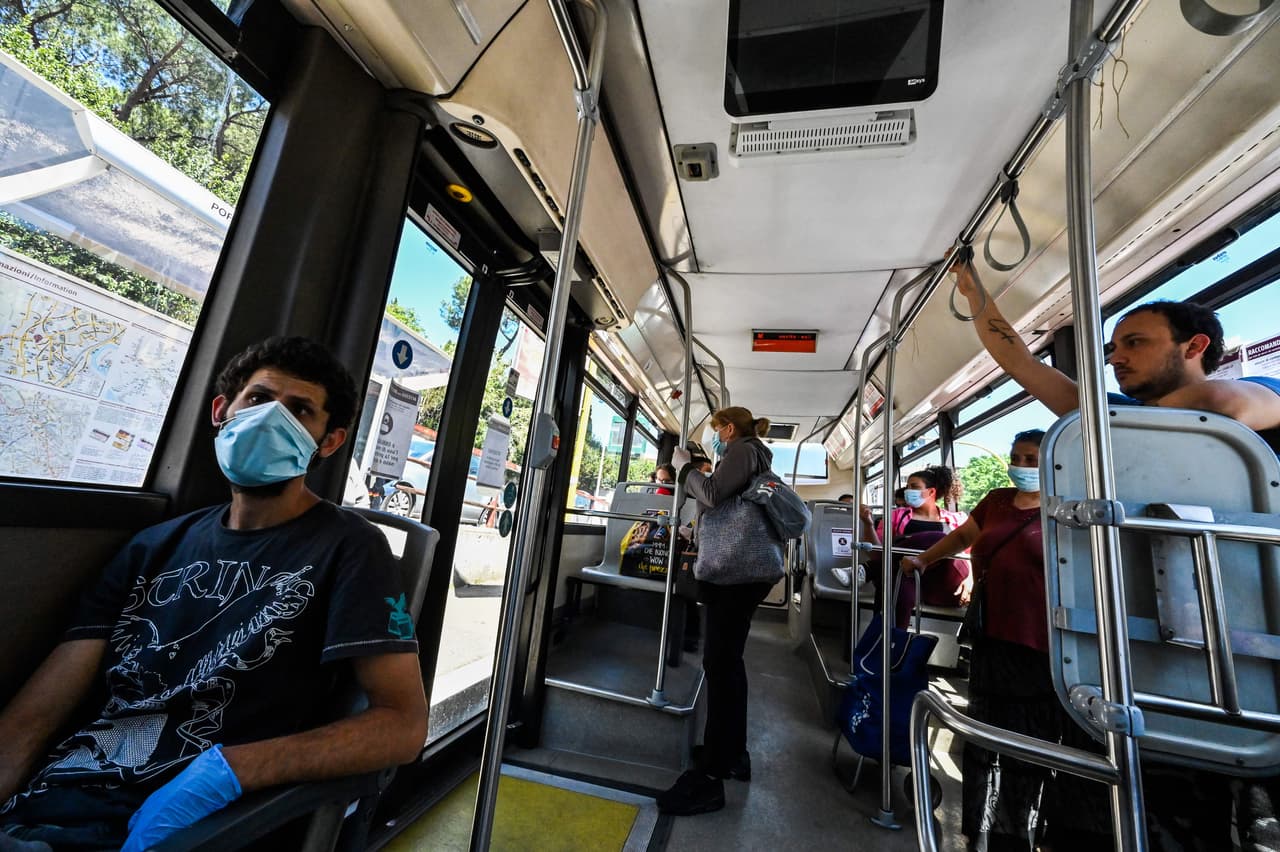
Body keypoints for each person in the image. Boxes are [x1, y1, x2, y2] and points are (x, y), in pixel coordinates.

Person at [0, 337, 428, 851]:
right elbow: (36, 716)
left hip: (191, 824)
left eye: (300, 410)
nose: (272, 419)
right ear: (222, 410)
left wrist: (226, 773)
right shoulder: (152, 547)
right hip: (41, 807)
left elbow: (402, 725)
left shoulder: (350, 547)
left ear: (329, 441)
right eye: (258, 398)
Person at [955, 260, 1280, 848]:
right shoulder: (1108, 421)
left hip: (1236, 669)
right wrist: (977, 299)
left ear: (1196, 345)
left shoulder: (1251, 402)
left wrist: (1109, 420)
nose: (1116, 356)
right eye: (1113, 346)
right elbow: (1021, 363)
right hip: (1124, 658)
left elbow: (1234, 402)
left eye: (1135, 342)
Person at [903, 430, 1110, 851]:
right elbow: (964, 538)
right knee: (983, 738)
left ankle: (1020, 831)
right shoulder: (997, 501)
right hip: (993, 638)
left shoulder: (1069, 508)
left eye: (1032, 458)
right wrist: (925, 558)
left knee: (1028, 747)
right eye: (1017, 457)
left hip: (1045, 647)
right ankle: (983, 829)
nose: (1023, 466)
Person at [657, 408, 781, 816]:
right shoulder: (753, 454)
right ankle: (731, 752)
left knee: (719, 662)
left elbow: (710, 494)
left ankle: (711, 776)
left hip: (736, 575)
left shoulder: (744, 451)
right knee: (728, 663)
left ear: (728, 429)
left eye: (717, 432)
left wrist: (686, 469)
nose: (717, 438)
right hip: (743, 575)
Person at [859, 465, 968, 627]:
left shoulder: (956, 519)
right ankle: (893, 644)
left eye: (914, 487)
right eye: (907, 487)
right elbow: (878, 554)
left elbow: (969, 554)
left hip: (946, 579)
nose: (908, 491)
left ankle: (869, 570)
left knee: (940, 539)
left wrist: (972, 580)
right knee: (900, 581)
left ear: (931, 492)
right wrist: (868, 525)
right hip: (910, 578)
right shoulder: (895, 516)